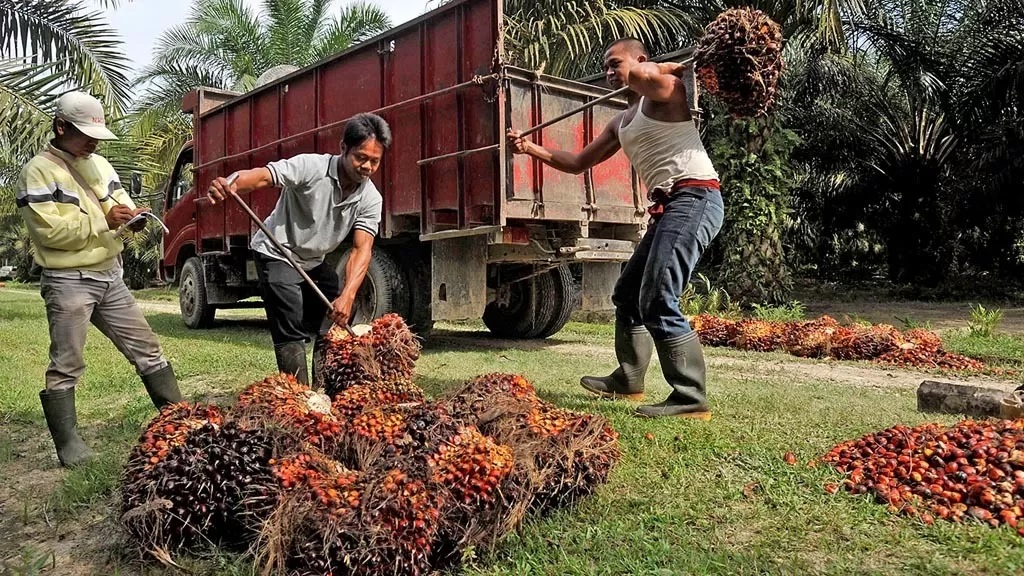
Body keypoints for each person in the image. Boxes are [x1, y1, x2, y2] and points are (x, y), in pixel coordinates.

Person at [507, 38, 725, 419]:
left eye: (615, 64)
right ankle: (629, 380)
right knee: (627, 295)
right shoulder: (621, 121)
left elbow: (651, 75)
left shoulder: (663, 92)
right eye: (605, 68)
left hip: (695, 198)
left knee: (658, 297)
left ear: (642, 61)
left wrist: (657, 66)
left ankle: (690, 397)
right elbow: (576, 162)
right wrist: (530, 149)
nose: (609, 73)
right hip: (670, 206)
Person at [16, 91, 183, 467]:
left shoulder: (101, 164)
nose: (93, 142)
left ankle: (178, 418)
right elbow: (48, 233)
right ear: (60, 127)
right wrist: (104, 221)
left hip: (110, 274)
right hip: (68, 279)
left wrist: (131, 216)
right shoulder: (38, 172)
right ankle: (69, 445)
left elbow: (116, 204)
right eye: (85, 134)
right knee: (67, 361)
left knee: (147, 347)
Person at [206, 113, 391, 387]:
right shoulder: (310, 167)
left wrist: (348, 296)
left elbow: (361, 249)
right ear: (343, 148)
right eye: (361, 157)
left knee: (335, 315)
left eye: (374, 161)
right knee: (290, 319)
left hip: (312, 260)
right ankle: (300, 399)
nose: (367, 166)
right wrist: (231, 182)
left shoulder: (370, 198)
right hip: (276, 251)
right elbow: (263, 177)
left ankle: (323, 387)